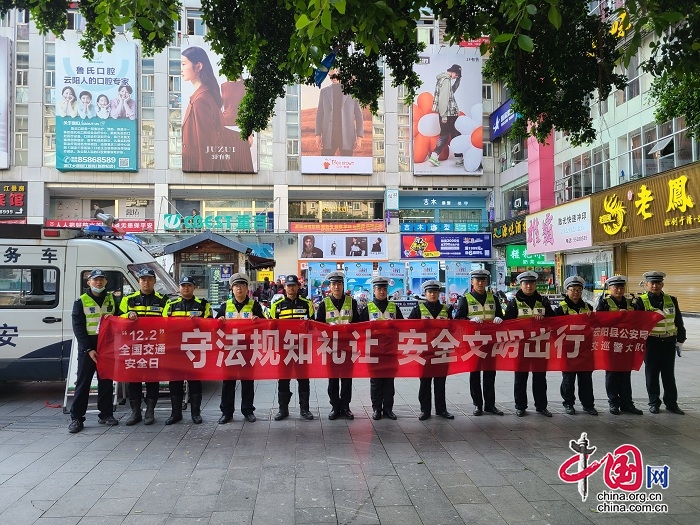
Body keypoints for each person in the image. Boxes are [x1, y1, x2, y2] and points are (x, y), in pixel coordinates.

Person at [68, 269, 120, 433]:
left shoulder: (111, 298)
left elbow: (118, 316)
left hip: (107, 345)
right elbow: (78, 328)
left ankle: (106, 414)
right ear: (89, 282)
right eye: (95, 280)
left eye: (101, 280)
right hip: (88, 347)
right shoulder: (81, 301)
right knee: (84, 383)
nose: (98, 283)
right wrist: (88, 349)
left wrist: (129, 315)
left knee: (106, 381)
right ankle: (77, 418)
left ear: (106, 282)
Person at [120, 268, 169, 425]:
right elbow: (117, 318)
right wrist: (127, 316)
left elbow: (168, 322)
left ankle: (150, 411)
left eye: (149, 279)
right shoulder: (128, 300)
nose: (146, 282)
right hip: (133, 347)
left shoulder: (163, 300)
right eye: (143, 279)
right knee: (133, 380)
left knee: (152, 380)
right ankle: (135, 412)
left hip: (154, 347)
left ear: (154, 281)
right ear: (138, 281)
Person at [503, 271, 555, 417]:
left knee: (540, 377)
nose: (529, 286)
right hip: (521, 346)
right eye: (526, 283)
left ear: (535, 285)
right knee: (520, 377)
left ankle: (541, 406)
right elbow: (507, 323)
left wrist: (544, 317)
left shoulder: (543, 301)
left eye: (531, 283)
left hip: (539, 345)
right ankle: (520, 406)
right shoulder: (514, 303)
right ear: (521, 285)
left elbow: (554, 321)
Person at [452, 269, 504, 416]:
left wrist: (499, 319)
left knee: (490, 374)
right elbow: (458, 320)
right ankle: (477, 405)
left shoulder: (493, 298)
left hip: (490, 342)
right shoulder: (465, 299)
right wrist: (470, 320)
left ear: (486, 282)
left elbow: (500, 316)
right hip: (473, 343)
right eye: (477, 280)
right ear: (472, 282)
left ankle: (490, 405)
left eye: (483, 280)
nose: (480, 283)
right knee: (474, 374)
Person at [633, 271, 686, 415]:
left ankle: (671, 403)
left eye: (658, 283)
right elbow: (637, 325)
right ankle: (654, 403)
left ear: (662, 284)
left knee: (669, 374)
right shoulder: (640, 301)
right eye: (652, 283)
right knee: (652, 373)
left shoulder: (671, 300)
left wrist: (681, 339)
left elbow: (678, 321)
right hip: (652, 342)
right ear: (646, 284)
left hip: (669, 341)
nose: (655, 286)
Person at [162, 275, 213, 425]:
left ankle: (196, 414)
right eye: (183, 285)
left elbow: (211, 324)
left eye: (189, 285)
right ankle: (175, 414)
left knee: (195, 382)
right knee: (175, 382)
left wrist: (199, 323)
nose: (186, 288)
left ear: (194, 287)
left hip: (195, 349)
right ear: (179, 288)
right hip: (175, 350)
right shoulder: (171, 304)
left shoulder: (203, 304)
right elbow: (162, 325)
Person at [216, 273, 264, 423]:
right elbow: (214, 325)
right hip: (230, 349)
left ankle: (248, 410)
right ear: (232, 288)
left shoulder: (254, 305)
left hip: (247, 349)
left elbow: (266, 324)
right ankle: (227, 412)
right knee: (228, 381)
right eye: (236, 286)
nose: (239, 288)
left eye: (242, 285)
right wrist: (219, 320)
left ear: (247, 288)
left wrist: (259, 320)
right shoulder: (225, 306)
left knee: (247, 381)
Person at [181, 46, 237, 172]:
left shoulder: (201, 100)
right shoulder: (202, 96)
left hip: (198, 169)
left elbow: (206, 145)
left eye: (184, 64)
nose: (181, 69)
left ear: (199, 66)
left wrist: (204, 177)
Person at [315, 271, 360, 420]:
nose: (336, 286)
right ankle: (335, 406)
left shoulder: (352, 302)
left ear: (342, 285)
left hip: (348, 347)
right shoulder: (324, 304)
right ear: (330, 286)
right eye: (334, 284)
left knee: (347, 379)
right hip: (331, 348)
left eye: (339, 283)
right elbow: (318, 326)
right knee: (333, 379)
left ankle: (345, 407)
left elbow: (358, 324)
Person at [269, 275, 315, 420]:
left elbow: (314, 325)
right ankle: (283, 410)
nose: (291, 288)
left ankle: (305, 409)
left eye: (294, 285)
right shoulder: (277, 305)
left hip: (302, 348)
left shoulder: (307, 304)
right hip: (284, 349)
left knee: (303, 378)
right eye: (289, 286)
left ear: (298, 287)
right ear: (285, 288)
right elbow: (271, 326)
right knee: (283, 379)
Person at [595, 275, 643, 415]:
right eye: (616, 287)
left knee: (625, 374)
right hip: (610, 344)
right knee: (612, 374)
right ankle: (613, 403)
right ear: (610, 288)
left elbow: (638, 320)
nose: (619, 290)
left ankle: (627, 403)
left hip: (627, 344)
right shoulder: (604, 303)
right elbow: (599, 322)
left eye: (621, 287)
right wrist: (618, 316)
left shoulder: (631, 303)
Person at [359, 276, 403, 420]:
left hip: (390, 350)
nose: (382, 292)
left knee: (389, 381)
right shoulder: (368, 308)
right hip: (374, 351)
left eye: (384, 289)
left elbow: (403, 327)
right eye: (379, 289)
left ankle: (388, 409)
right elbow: (359, 329)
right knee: (376, 381)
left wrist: (395, 325)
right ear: (374, 291)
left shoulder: (394, 307)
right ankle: (377, 409)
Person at [409, 280, 454, 420]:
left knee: (440, 382)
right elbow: (409, 328)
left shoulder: (446, 310)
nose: (433, 294)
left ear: (439, 294)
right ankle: (425, 410)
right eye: (430, 292)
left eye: (435, 292)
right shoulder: (418, 310)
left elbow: (453, 328)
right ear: (425, 294)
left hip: (442, 351)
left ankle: (441, 410)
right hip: (425, 352)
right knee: (425, 382)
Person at [553, 276, 597, 416]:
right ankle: (568, 403)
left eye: (579, 290)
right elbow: (554, 329)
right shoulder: (561, 309)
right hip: (568, 350)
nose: (576, 293)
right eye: (573, 290)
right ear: (567, 291)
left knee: (586, 379)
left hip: (585, 350)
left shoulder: (588, 307)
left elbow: (595, 327)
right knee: (568, 379)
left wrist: (592, 319)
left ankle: (588, 405)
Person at [315, 69, 364, 156]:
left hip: (347, 137)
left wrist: (359, 137)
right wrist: (318, 134)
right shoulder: (324, 92)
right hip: (329, 137)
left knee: (347, 168)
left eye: (335, 75)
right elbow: (320, 114)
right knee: (324, 167)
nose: (333, 78)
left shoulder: (352, 92)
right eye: (330, 76)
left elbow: (359, 115)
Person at [427, 64, 463, 168]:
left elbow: (450, 93)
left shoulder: (442, 79)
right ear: (452, 71)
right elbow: (444, 98)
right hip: (449, 114)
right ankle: (459, 159)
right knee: (455, 135)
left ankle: (434, 156)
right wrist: (443, 115)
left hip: (445, 114)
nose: (456, 76)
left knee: (444, 135)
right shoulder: (446, 80)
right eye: (457, 74)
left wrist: (458, 81)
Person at [220, 78, 255, 172]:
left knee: (244, 163)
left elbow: (249, 109)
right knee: (228, 164)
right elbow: (223, 106)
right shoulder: (223, 85)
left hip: (240, 126)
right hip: (225, 126)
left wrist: (250, 133)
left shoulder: (245, 85)